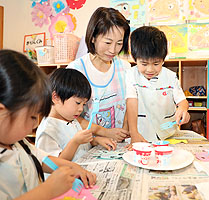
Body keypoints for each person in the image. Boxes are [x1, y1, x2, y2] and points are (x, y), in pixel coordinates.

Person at [0, 50, 96, 200]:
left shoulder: (19, 143)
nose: (33, 126)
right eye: (32, 116)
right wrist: (48, 191)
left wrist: (74, 167)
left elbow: (42, 158)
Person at [67, 7, 131, 142]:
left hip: (118, 145)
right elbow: (67, 115)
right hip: (85, 145)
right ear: (93, 38)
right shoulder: (75, 70)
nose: (113, 50)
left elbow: (129, 104)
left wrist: (124, 132)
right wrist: (105, 133)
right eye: (107, 42)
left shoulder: (125, 68)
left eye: (119, 43)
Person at [35, 68, 116, 162]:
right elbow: (55, 164)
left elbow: (82, 146)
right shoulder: (48, 130)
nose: (81, 109)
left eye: (84, 104)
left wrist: (96, 140)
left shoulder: (71, 120)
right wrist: (75, 142)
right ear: (56, 97)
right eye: (78, 103)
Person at [126, 26, 190, 143]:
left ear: (163, 59)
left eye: (156, 63)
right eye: (144, 64)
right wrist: (133, 132)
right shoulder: (131, 75)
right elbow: (131, 103)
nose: (150, 69)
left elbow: (182, 101)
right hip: (141, 134)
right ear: (135, 58)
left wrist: (183, 110)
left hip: (167, 133)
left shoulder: (170, 76)